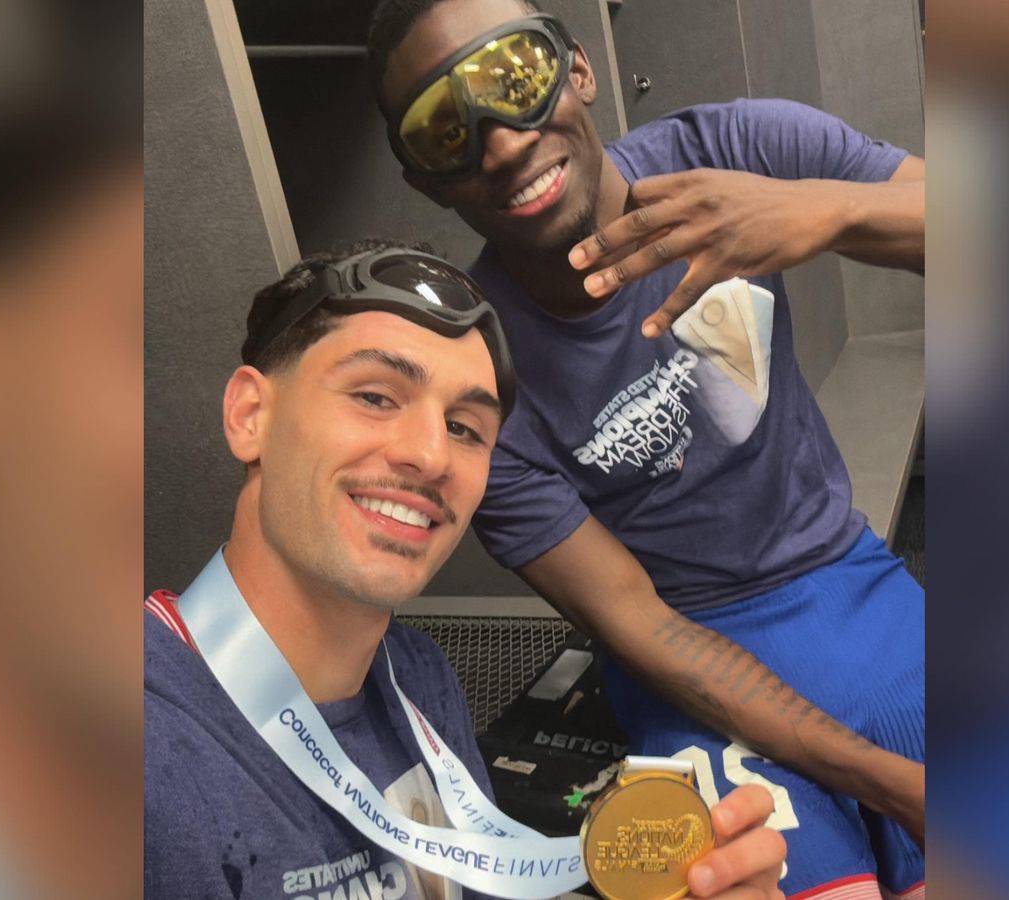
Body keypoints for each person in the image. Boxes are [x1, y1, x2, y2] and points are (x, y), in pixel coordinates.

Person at [368, 1, 926, 897]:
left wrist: (824, 214)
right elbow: (644, 628)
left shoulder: (739, 148)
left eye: (514, 76)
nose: (503, 143)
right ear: (425, 181)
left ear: (577, 69)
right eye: (444, 130)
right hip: (695, 671)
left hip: (851, 583)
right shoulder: (479, 378)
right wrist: (888, 783)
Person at [143, 239, 789, 900]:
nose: (430, 455)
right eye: (374, 395)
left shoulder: (418, 676)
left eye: (464, 428)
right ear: (251, 416)